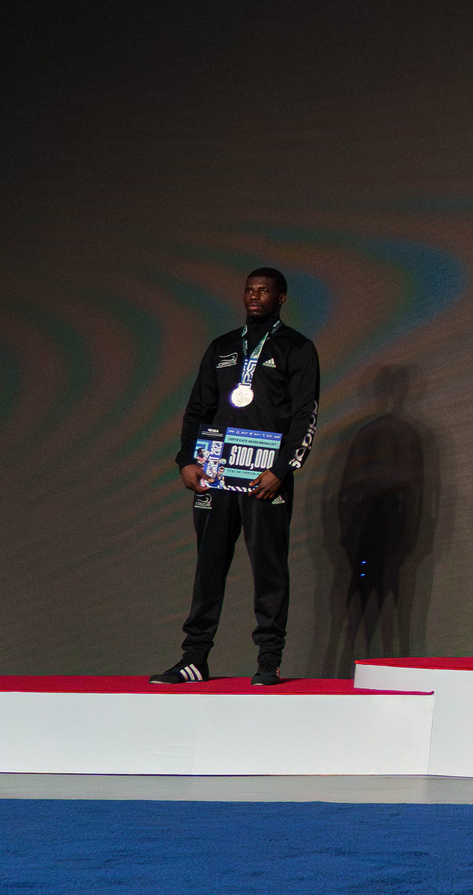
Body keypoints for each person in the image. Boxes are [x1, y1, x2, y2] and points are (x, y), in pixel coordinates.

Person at [151, 267, 320, 686]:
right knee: (208, 566)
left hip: (264, 477)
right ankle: (194, 659)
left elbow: (305, 416)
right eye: (249, 290)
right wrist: (186, 460)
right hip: (215, 472)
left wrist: (281, 470)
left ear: (281, 297)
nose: (254, 296)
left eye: (264, 291)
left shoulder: (297, 348)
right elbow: (196, 410)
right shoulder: (223, 347)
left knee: (268, 568)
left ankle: (268, 661)